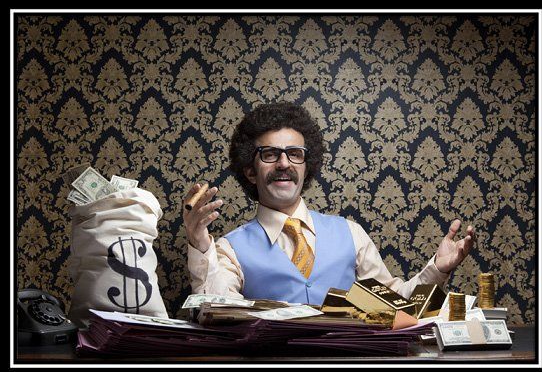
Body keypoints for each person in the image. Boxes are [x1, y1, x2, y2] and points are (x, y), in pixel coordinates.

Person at [184, 101, 475, 305]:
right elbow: (218, 309)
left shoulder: (350, 233)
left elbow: (395, 302)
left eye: (295, 153)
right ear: (250, 169)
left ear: (306, 166)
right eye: (270, 154)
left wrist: (438, 268)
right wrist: (200, 243)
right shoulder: (227, 249)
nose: (284, 163)